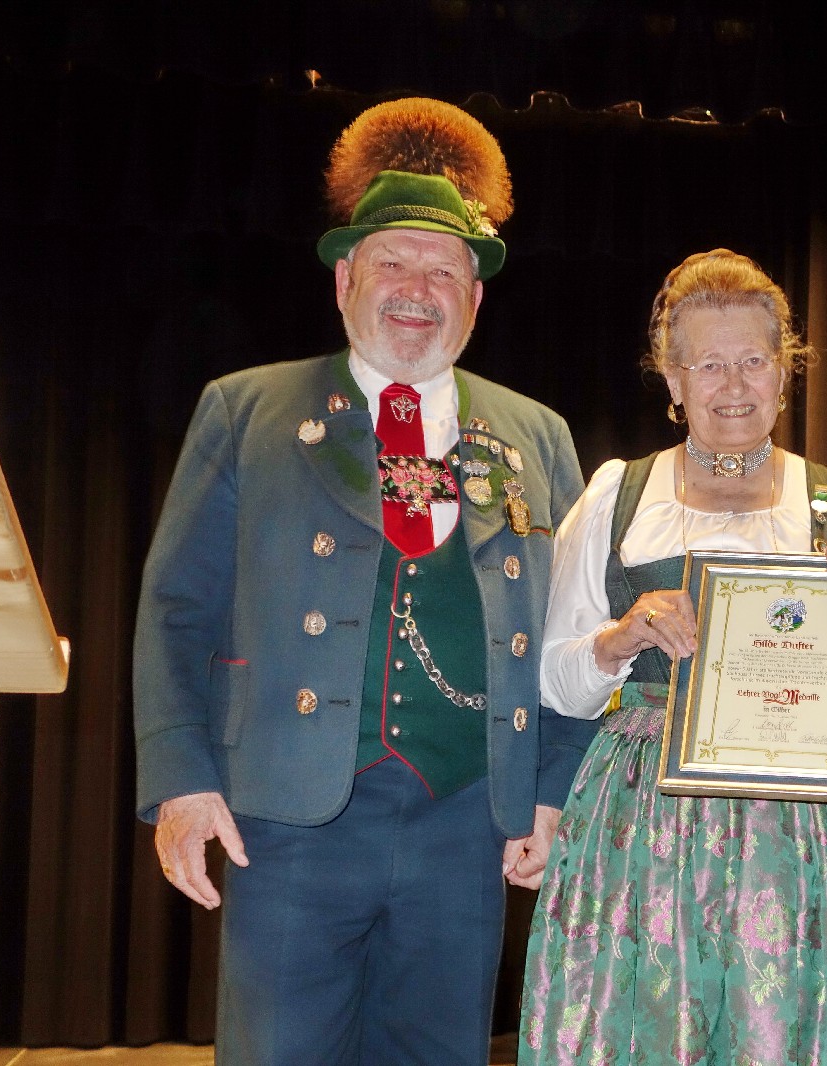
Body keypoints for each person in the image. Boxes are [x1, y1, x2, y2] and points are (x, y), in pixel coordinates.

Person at [133, 98, 595, 1065]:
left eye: (446, 271)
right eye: (393, 263)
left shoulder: (537, 434)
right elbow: (178, 611)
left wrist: (553, 791)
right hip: (287, 813)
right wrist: (181, 781)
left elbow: (574, 632)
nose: (418, 290)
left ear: (476, 299)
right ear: (346, 278)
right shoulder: (246, 411)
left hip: (468, 821)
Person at [517, 249, 827, 1066]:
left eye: (753, 362)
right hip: (646, 822)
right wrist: (621, 636)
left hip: (810, 827)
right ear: (673, 381)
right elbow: (553, 681)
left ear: (784, 374)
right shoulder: (618, 496)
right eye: (708, 365)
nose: (733, 385)